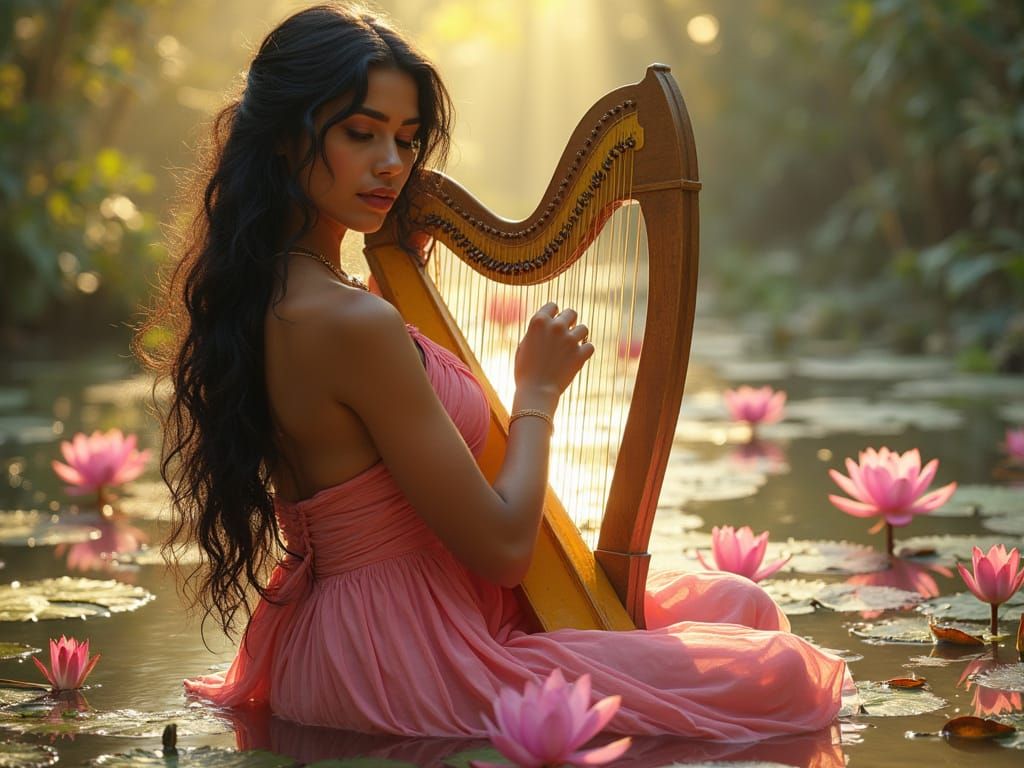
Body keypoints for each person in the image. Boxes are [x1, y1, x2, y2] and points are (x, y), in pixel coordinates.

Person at [136, 2, 847, 741]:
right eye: (361, 133)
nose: (392, 164)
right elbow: (508, 551)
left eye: (407, 140)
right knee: (784, 674)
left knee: (739, 607)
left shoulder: (271, 292)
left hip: (334, 633)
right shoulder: (352, 324)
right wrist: (536, 393)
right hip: (406, 654)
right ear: (286, 138)